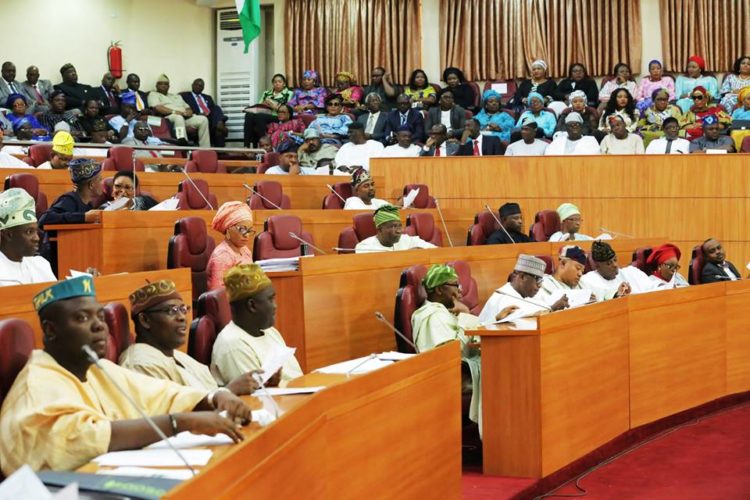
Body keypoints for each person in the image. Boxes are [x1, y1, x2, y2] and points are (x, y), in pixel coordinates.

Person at [0, 276, 253, 475]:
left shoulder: (96, 367)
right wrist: (181, 422)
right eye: (82, 318)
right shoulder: (38, 382)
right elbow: (80, 439)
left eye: (99, 316)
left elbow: (160, 394)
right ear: (50, 330)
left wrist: (216, 396)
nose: (99, 325)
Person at [120, 280, 260, 395]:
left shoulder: (178, 356)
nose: (182, 317)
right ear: (145, 320)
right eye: (171, 311)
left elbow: (208, 393)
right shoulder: (140, 364)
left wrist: (257, 383)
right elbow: (171, 418)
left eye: (183, 309)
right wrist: (229, 391)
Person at [211, 264, 304, 387]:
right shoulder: (233, 344)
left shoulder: (271, 332)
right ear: (252, 305)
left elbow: (296, 377)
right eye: (270, 300)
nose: (275, 306)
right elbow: (258, 396)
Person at [411, 264, 481, 425]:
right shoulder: (433, 315)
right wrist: (466, 315)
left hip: (464, 370)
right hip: (454, 379)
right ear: (439, 290)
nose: (460, 291)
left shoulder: (443, 310)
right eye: (456, 285)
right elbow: (451, 355)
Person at [477, 254, 568, 325]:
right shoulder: (504, 297)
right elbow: (517, 315)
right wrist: (552, 308)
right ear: (522, 277)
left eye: (541, 280)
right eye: (537, 279)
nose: (539, 285)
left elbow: (542, 304)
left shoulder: (524, 294)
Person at [0, 188, 56, 286]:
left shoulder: (41, 264)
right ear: (8, 235)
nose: (37, 238)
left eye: (36, 231)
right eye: (29, 232)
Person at [148, 74, 210, 147]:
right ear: (156, 86)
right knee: (178, 118)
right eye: (160, 84)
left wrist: (189, 112)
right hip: (169, 118)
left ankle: (205, 149)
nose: (163, 86)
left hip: (184, 117)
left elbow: (188, 108)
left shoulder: (176, 96)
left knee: (203, 119)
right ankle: (184, 146)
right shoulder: (153, 94)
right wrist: (174, 112)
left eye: (166, 84)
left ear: (169, 86)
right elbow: (157, 108)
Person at [580, 240, 655, 300]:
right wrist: (616, 295)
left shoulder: (632, 272)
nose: (615, 265)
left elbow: (654, 289)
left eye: (615, 260)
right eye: (609, 263)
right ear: (597, 266)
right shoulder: (588, 281)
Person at [39, 159, 103, 227]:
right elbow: (45, 219)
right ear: (91, 185)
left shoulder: (88, 205)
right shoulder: (69, 200)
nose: (102, 183)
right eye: (100, 180)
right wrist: (84, 217)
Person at [207, 202, 254, 290]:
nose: (246, 235)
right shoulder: (222, 255)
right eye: (242, 229)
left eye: (249, 230)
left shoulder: (245, 250)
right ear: (228, 230)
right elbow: (217, 294)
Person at [355, 205, 436, 253]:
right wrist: (408, 256)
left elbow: (436, 251)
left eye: (399, 226)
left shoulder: (407, 239)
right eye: (393, 226)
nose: (398, 230)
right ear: (379, 229)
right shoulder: (364, 247)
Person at [243, 73, 294, 147]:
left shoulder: (289, 93)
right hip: (266, 114)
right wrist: (265, 103)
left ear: (284, 84)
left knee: (260, 117)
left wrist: (273, 105)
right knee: (249, 115)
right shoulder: (266, 93)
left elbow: (287, 108)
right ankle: (246, 146)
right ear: (273, 84)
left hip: (278, 116)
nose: (277, 84)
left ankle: (263, 144)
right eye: (275, 82)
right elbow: (260, 105)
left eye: (280, 82)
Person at [180, 78, 228, 147]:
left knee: (216, 107)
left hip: (210, 118)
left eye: (200, 86)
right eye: (196, 85)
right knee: (216, 127)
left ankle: (219, 124)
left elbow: (213, 111)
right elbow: (185, 109)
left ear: (203, 88)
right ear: (192, 85)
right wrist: (198, 114)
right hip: (197, 117)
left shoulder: (208, 97)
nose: (198, 87)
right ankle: (219, 125)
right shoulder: (185, 96)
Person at [729, 86, 750, 151]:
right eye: (749, 99)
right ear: (743, 101)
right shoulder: (737, 111)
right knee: (734, 133)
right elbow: (732, 122)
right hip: (737, 131)